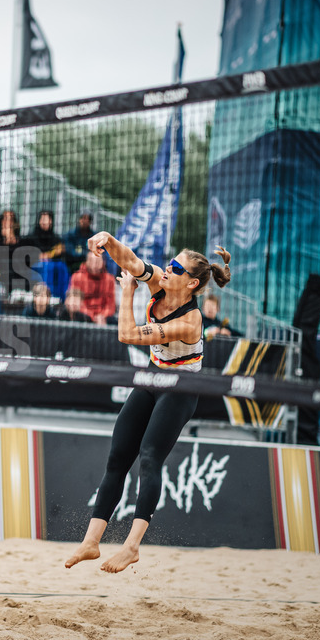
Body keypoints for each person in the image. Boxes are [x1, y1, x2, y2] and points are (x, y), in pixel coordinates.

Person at [64, 233, 231, 574]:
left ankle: (132, 546)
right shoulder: (160, 284)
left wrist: (126, 294)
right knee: (118, 457)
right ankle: (91, 542)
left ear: (192, 282)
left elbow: (126, 334)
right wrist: (108, 240)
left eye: (175, 268)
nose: (166, 269)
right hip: (155, 376)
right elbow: (131, 261)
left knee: (150, 458)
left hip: (182, 387)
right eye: (169, 264)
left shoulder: (190, 321)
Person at [68, 249, 117, 326]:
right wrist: (91, 316)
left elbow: (111, 305)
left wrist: (102, 316)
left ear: (103, 262)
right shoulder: (77, 277)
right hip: (83, 315)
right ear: (86, 261)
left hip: (104, 318)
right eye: (91, 261)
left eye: (97, 261)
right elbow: (75, 302)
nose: (94, 265)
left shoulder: (110, 280)